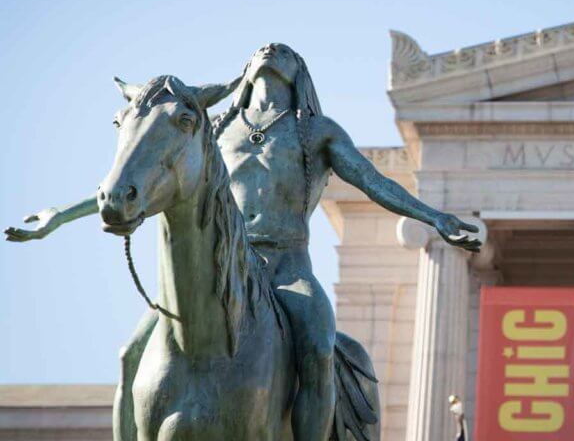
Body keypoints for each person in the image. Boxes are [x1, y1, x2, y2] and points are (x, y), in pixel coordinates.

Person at [5, 43, 481, 441]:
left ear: (299, 76)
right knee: (130, 354)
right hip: (224, 262)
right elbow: (149, 176)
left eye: (285, 52)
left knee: (317, 346)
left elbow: (373, 181)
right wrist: (60, 217)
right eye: (261, 50)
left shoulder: (316, 132)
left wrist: (434, 217)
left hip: (288, 270)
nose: (271, 50)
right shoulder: (214, 130)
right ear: (244, 74)